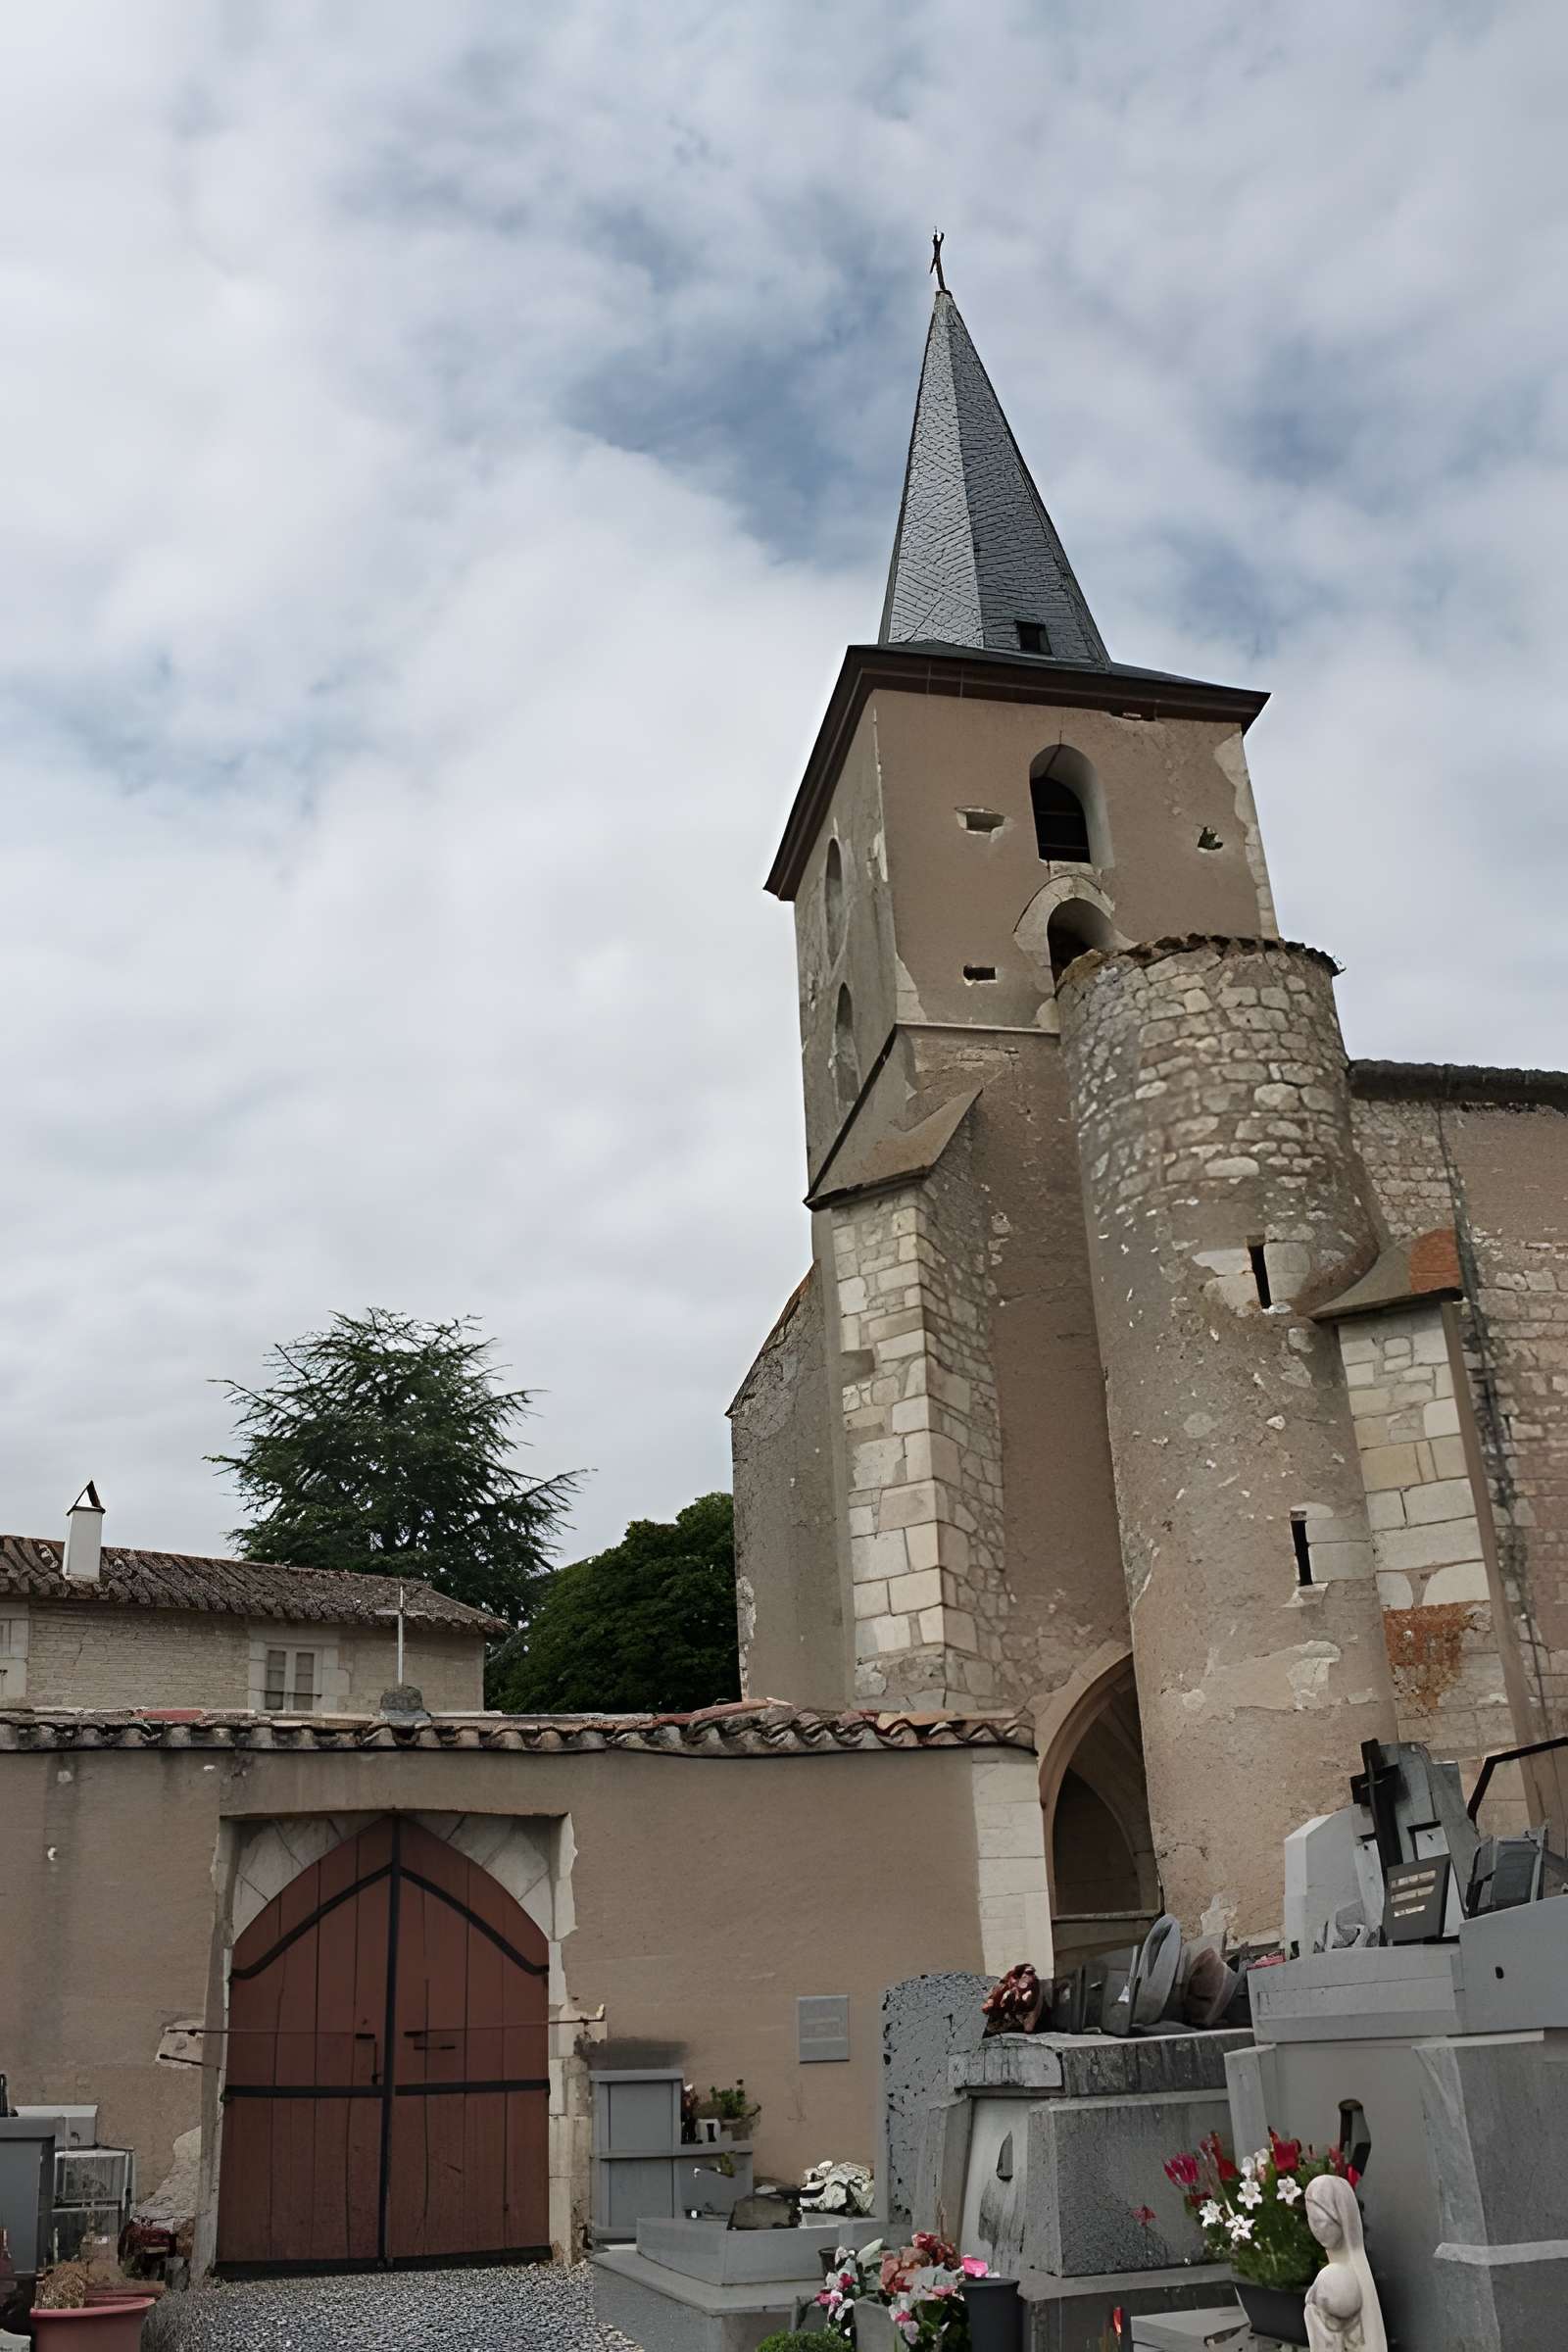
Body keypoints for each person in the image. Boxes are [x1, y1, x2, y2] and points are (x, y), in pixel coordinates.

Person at [1303, 2173, 1388, 2352]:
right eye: (1311, 2219)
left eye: (1321, 2220)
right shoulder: (1341, 2270)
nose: (1316, 2228)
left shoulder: (1337, 2276)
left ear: (1341, 2217)